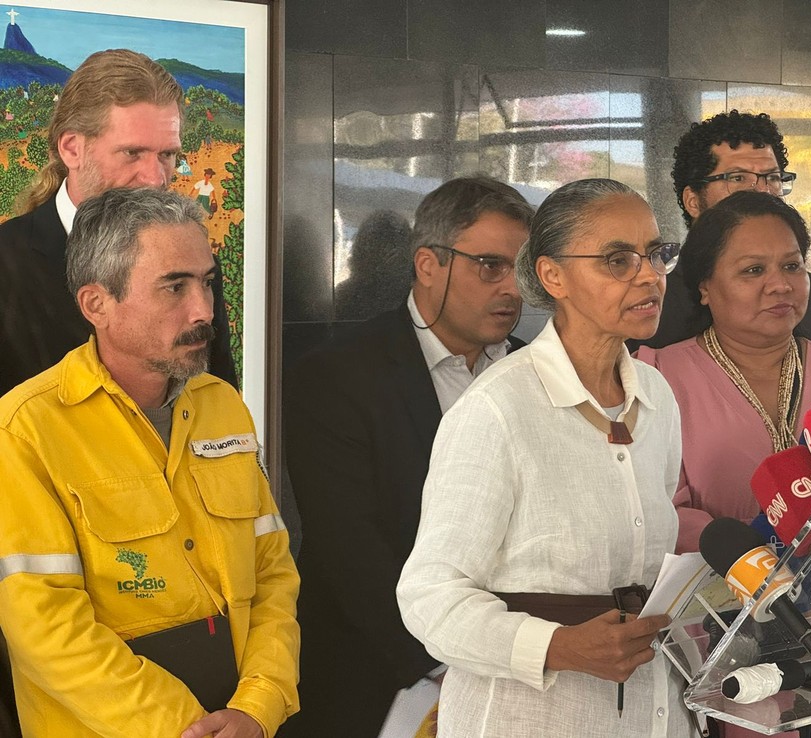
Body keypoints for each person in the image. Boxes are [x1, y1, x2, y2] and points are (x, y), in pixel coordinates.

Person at [397, 178, 696, 737]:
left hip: (651, 713)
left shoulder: (656, 397)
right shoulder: (497, 409)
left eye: (657, 254)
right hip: (528, 719)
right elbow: (429, 598)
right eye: (617, 259)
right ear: (552, 275)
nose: (649, 275)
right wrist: (559, 646)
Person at [0, 187, 300, 737]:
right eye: (174, 287)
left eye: (207, 281)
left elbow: (273, 574)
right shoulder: (26, 429)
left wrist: (259, 705)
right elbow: (42, 626)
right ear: (96, 305)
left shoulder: (223, 406)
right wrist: (183, 726)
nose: (204, 310)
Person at [282, 176, 534, 737]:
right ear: (428, 264)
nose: (513, 288)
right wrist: (449, 660)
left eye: (522, 268)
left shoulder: (536, 372)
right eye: (490, 266)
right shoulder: (335, 376)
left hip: (514, 672)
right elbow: (351, 549)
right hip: (378, 675)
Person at [637, 191, 811, 557]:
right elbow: (660, 516)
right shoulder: (656, 379)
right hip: (724, 599)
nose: (780, 285)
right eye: (754, 270)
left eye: (792, 266)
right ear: (705, 288)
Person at [0, 48, 238, 397]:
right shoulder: (6, 262)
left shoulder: (196, 265)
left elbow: (218, 403)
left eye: (167, 155)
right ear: (71, 148)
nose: (155, 178)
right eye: (133, 153)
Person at [630, 109, 811, 352]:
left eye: (772, 178)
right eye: (737, 178)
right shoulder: (651, 298)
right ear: (693, 201)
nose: (762, 192)